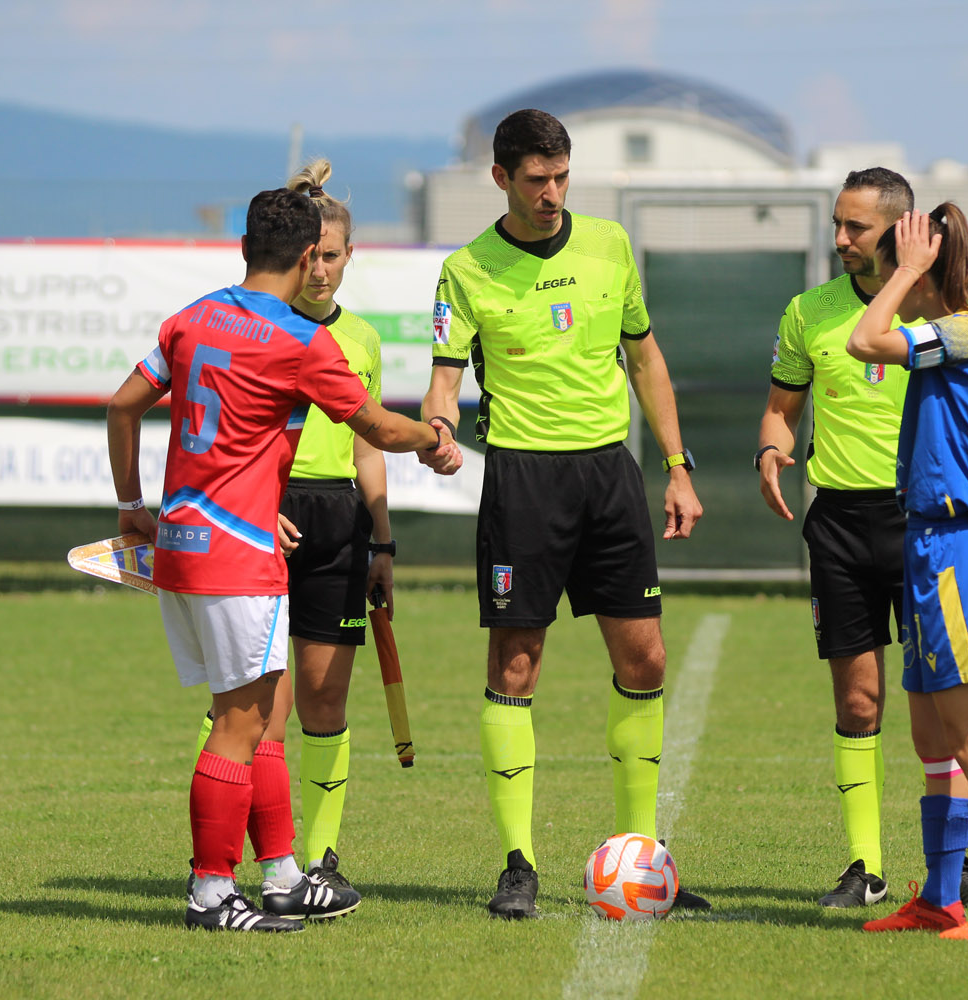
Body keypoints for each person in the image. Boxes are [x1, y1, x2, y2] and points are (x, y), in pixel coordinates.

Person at [107, 187, 459, 932]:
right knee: (239, 726)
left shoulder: (191, 318)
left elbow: (121, 405)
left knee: (264, 717)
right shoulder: (300, 340)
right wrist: (434, 437)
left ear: (244, 247)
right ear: (306, 257)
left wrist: (132, 504)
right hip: (241, 556)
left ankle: (282, 875)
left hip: (181, 548)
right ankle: (211, 892)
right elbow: (377, 429)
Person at [420, 108, 706, 919]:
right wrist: (438, 428)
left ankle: (641, 858)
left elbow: (645, 358)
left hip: (609, 476)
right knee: (516, 663)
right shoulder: (466, 270)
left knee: (645, 659)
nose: (552, 193)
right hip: (523, 479)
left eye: (562, 177)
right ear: (501, 178)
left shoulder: (610, 245)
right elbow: (445, 377)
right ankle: (518, 865)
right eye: (536, 179)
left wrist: (677, 466)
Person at [757, 168, 968, 908]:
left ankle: (960, 868)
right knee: (860, 700)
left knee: (948, 709)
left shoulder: (935, 319)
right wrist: (771, 449)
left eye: (857, 227)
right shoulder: (808, 312)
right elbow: (781, 409)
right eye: (836, 224)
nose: (841, 239)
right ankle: (865, 867)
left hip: (927, 529)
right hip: (839, 525)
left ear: (899, 232)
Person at [187, 159, 399, 920]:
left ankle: (313, 859)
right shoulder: (261, 328)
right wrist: (252, 508)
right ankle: (236, 869)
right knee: (254, 712)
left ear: (345, 257)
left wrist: (381, 541)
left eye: (335, 257)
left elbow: (368, 441)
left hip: (338, 518)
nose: (322, 271)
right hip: (260, 518)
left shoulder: (361, 339)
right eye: (315, 255)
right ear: (300, 253)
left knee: (323, 695)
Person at [847, 206, 968, 939]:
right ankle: (939, 897)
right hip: (930, 545)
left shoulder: (965, 330)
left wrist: (906, 270)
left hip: (960, 549)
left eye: (894, 266)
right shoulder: (949, 338)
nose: (883, 282)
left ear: (927, 266)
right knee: (933, 739)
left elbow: (865, 340)